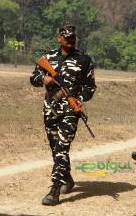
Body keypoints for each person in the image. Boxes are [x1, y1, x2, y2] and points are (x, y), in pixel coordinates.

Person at [30, 25, 96, 206]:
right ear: (59, 38)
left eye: (72, 37)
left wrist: (78, 99)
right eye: (66, 37)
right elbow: (33, 78)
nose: (70, 40)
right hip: (50, 108)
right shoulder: (49, 57)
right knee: (54, 148)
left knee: (62, 147)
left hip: (70, 111)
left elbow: (90, 88)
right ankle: (67, 178)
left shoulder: (84, 60)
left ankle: (54, 189)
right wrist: (44, 79)